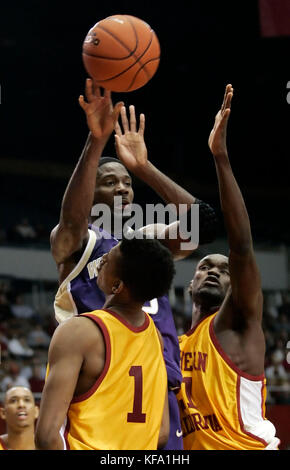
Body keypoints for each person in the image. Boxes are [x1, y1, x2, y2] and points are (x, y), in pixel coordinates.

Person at [50, 79, 217, 449]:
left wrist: (143, 168)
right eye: (110, 182)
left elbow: (200, 226)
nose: (123, 188)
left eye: (127, 183)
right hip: (104, 383)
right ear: (90, 192)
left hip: (161, 387)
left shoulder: (145, 241)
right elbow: (73, 221)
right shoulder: (79, 241)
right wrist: (95, 144)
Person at [177, 84, 280, 450]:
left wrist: (220, 157)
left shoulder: (238, 322)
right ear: (189, 285)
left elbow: (241, 247)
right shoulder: (172, 345)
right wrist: (140, 166)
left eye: (224, 269)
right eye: (205, 265)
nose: (214, 270)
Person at [35, 237, 173, 450]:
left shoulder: (79, 332)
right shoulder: (156, 337)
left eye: (107, 260)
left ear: (117, 286)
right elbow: (162, 433)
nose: (101, 261)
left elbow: (46, 436)